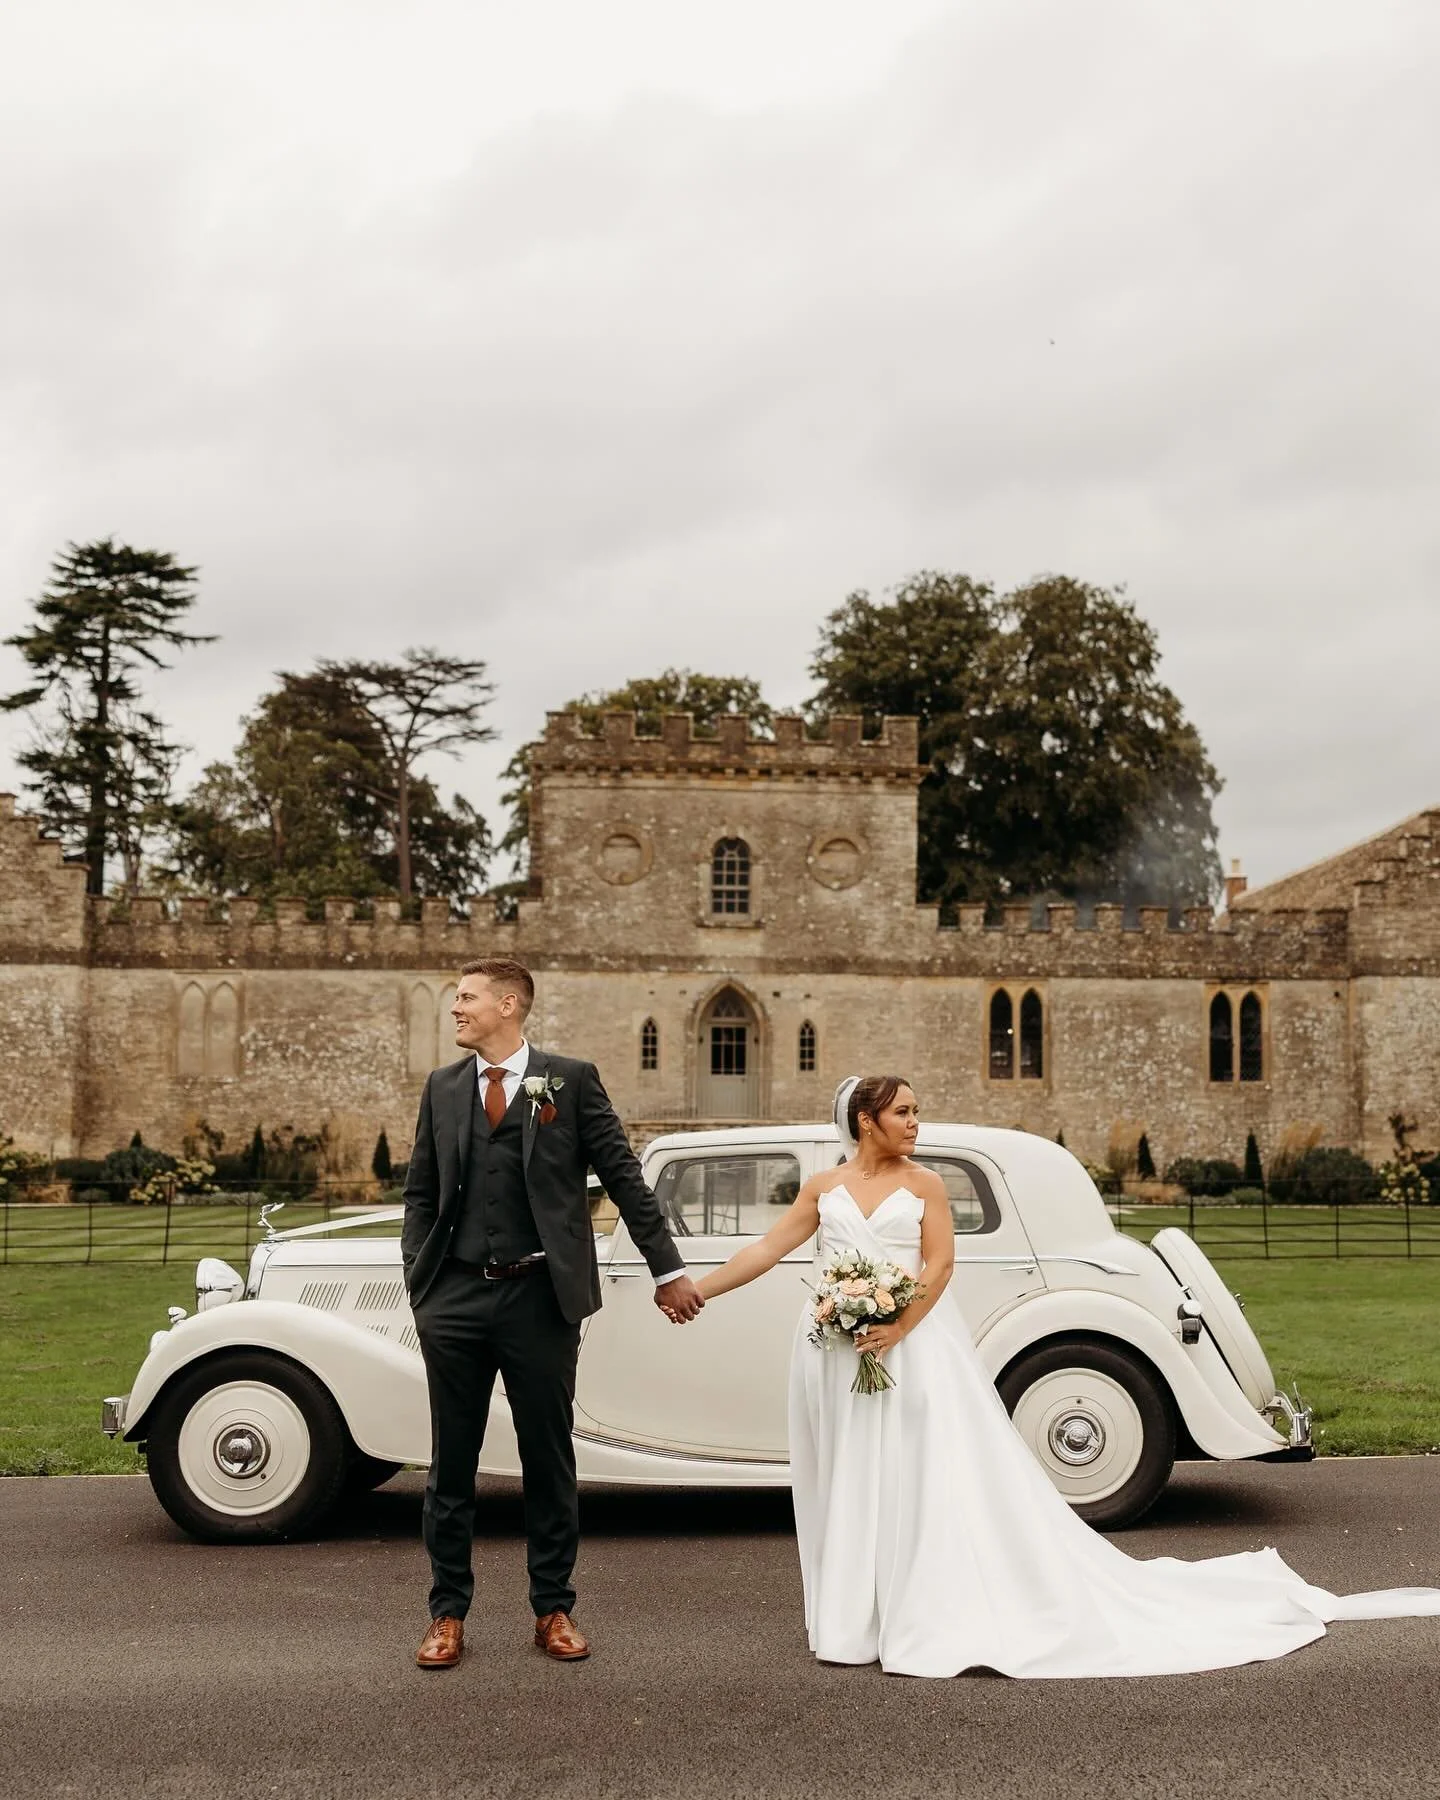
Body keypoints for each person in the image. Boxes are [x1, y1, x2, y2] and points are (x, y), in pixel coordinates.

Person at [695, 1073, 1440, 1677]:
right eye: (904, 1112)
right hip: (834, 1351)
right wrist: (699, 1289)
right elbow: (767, 1251)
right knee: (847, 1473)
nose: (917, 1123)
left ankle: (916, 1607)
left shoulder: (925, 1185)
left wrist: (895, 1326)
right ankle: (850, 1621)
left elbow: (941, 1265)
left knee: (916, 1471)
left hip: (911, 1345)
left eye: (918, 1111)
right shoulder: (820, 1189)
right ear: (865, 1120)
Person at [401, 955, 703, 1669]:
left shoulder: (568, 1079)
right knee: (451, 1463)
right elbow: (421, 1190)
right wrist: (423, 1284)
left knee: (548, 1457)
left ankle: (553, 1608)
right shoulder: (443, 1089)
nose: (457, 1009)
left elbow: (625, 1176)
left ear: (510, 1004)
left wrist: (668, 1268)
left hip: (541, 1298)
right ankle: (446, 1614)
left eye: (468, 997)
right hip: (456, 1298)